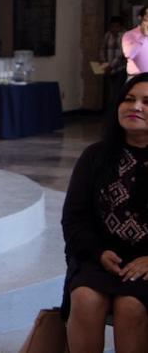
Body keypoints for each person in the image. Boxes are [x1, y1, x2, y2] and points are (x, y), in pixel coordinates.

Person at [61, 72, 148, 352]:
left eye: (147, 102)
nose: (135, 107)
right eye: (129, 99)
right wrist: (98, 252)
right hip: (98, 256)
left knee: (131, 306)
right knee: (86, 298)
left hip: (147, 264)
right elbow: (74, 218)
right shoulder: (95, 157)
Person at [100, 15, 126, 108]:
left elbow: (121, 54)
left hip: (120, 68)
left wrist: (111, 65)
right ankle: (111, 110)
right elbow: (102, 49)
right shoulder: (107, 35)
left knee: (118, 90)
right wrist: (104, 62)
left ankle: (116, 110)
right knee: (111, 91)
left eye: (117, 26)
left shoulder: (124, 37)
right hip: (109, 69)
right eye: (112, 26)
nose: (114, 29)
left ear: (121, 27)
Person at [122, 5, 148, 77]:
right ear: (140, 18)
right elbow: (130, 54)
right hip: (136, 78)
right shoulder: (129, 35)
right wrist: (143, 36)